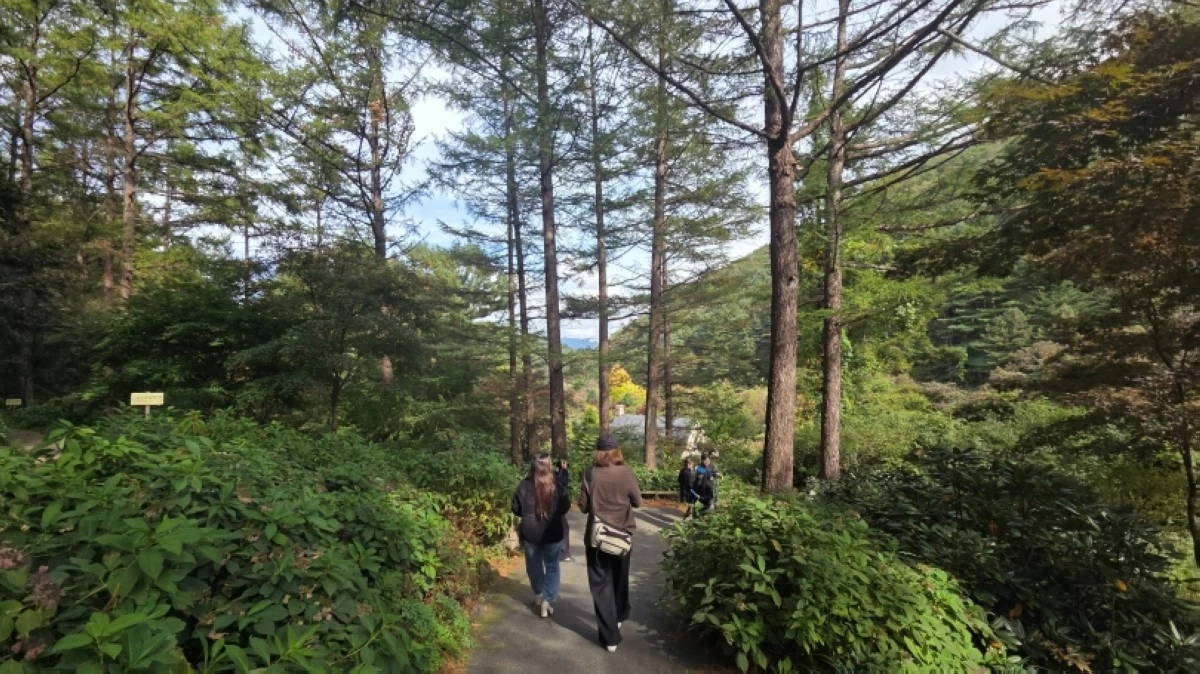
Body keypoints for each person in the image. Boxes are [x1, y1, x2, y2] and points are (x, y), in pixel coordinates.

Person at [579, 432, 642, 653]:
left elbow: (583, 507)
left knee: (601, 586)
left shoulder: (589, 474)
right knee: (620, 579)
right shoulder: (626, 473)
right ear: (617, 450)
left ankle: (610, 638)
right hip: (622, 537)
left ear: (597, 451)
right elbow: (637, 502)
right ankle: (620, 615)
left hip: (597, 539)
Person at [512, 453, 571, 618]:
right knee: (552, 565)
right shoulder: (557, 485)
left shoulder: (523, 486)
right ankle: (547, 599)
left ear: (533, 466)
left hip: (531, 533)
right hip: (553, 533)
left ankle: (538, 595)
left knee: (534, 565)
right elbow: (565, 507)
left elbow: (515, 508)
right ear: (549, 465)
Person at [555, 458, 574, 562]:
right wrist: (564, 470)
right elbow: (563, 483)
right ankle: (564, 553)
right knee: (564, 529)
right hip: (556, 509)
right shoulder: (555, 476)